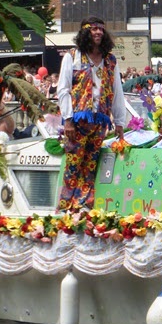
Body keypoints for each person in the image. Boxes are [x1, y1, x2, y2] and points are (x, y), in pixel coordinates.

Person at [56, 16, 127, 212]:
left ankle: (83, 207)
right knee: (73, 164)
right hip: (78, 122)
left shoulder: (110, 60)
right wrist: (68, 120)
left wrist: (119, 122)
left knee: (90, 165)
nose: (98, 33)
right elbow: (63, 89)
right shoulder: (72, 56)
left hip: (100, 121)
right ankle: (65, 208)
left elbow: (117, 91)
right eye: (94, 29)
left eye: (101, 30)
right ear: (85, 32)